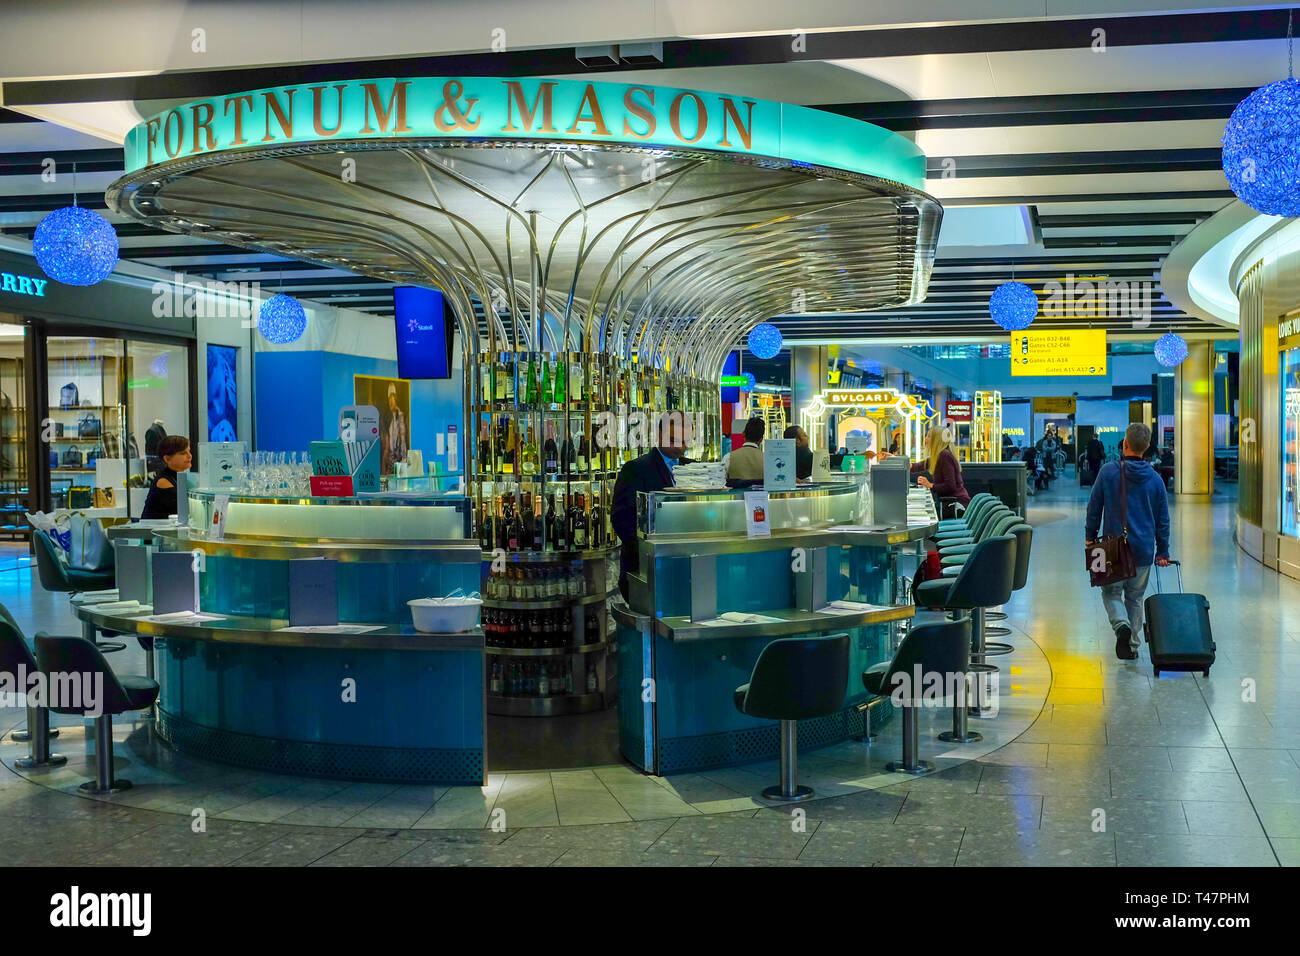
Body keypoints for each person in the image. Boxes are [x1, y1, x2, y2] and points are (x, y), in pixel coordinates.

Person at [1085, 423, 1172, 661]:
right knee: (1134, 597)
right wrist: (1162, 550)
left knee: (1110, 593)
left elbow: (1094, 508)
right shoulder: (1155, 479)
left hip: (1112, 545)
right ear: (1146, 449)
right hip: (1143, 548)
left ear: (1124, 444)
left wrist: (1090, 537)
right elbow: (1163, 520)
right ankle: (1132, 647)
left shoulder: (1107, 472)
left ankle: (1120, 625)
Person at [612, 410, 692, 599]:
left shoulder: (692, 468)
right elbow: (622, 518)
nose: (681, 448)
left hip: (682, 569)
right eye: (674, 440)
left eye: (685, 441)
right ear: (659, 435)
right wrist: (648, 551)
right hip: (645, 571)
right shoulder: (636, 469)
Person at [910, 426, 970, 507]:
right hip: (950, 503)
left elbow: (950, 486)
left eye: (929, 436)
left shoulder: (944, 456)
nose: (926, 438)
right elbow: (917, 466)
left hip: (956, 505)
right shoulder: (939, 456)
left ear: (937, 440)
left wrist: (930, 485)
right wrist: (894, 459)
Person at [141, 435, 192, 519]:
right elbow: (182, 510)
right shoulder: (163, 481)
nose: (189, 456)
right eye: (183, 453)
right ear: (167, 459)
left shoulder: (177, 477)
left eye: (189, 451)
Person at [725, 417, 765, 485]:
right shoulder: (767, 460)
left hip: (737, 495)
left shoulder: (729, 457)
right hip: (762, 495)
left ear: (743, 434)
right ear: (761, 439)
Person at [383, 383, 407, 474]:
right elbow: (388, 446)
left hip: (400, 461)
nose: (390, 401)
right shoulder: (390, 419)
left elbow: (403, 439)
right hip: (391, 461)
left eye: (392, 398)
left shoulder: (401, 417)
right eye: (389, 399)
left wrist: (403, 460)